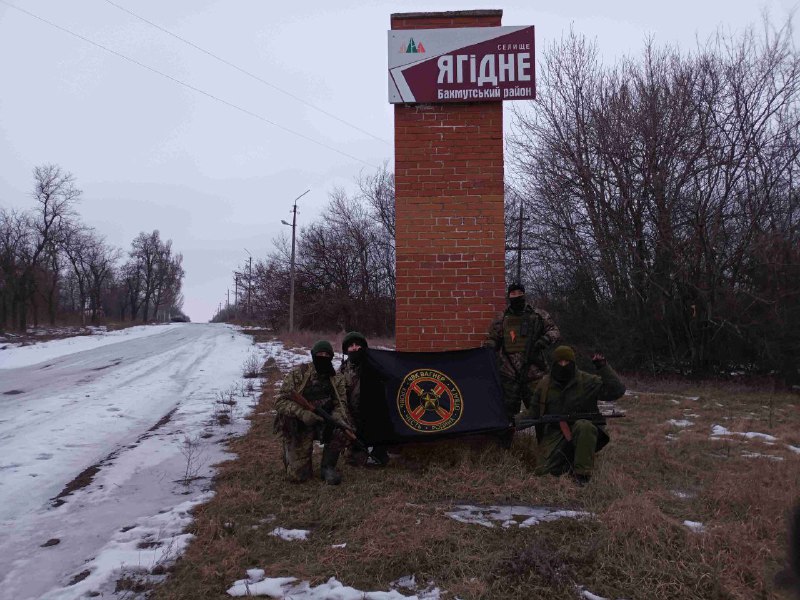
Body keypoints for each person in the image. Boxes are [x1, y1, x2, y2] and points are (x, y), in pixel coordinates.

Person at [518, 345, 626, 484]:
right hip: (555, 432)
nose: (563, 365)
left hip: (581, 431)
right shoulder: (544, 385)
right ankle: (568, 462)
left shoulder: (587, 381)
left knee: (584, 426)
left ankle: (582, 474)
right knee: (542, 471)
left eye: (567, 362)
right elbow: (533, 412)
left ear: (573, 363)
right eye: (560, 362)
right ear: (554, 364)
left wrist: (602, 366)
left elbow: (616, 391)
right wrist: (514, 422)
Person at [273, 340, 352, 485]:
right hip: (299, 424)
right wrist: (302, 413)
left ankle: (327, 467)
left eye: (327, 354)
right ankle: (291, 454)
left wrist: (335, 418)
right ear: (313, 355)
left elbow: (341, 404)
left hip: (323, 422)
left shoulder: (336, 378)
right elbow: (280, 402)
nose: (323, 357)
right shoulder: (299, 374)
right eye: (320, 354)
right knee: (298, 477)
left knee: (341, 428)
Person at [485, 283, 561, 427]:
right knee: (507, 415)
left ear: (524, 294)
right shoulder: (501, 318)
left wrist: (544, 340)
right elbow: (492, 339)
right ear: (509, 296)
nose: (516, 296)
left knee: (541, 412)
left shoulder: (538, 315)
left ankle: (545, 445)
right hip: (509, 374)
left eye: (519, 293)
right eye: (513, 293)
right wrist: (488, 348)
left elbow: (555, 332)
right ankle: (506, 447)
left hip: (534, 374)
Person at [339, 331, 388, 466]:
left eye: (358, 345)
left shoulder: (374, 365)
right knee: (355, 459)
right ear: (346, 350)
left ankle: (379, 449)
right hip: (353, 419)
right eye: (351, 346)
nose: (354, 348)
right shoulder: (342, 371)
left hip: (373, 417)